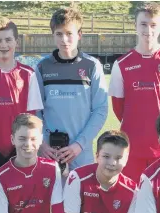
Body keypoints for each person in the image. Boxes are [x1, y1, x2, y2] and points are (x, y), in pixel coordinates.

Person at [108, 1, 160, 183]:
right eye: (143, 24)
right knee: (132, 199)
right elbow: (118, 108)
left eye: (153, 25)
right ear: (135, 25)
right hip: (131, 146)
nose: (148, 30)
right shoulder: (122, 64)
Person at [0, 17, 43, 186]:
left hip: (22, 151)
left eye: (8, 39)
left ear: (16, 43)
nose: (3, 45)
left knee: (21, 201)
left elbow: (32, 118)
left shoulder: (28, 74)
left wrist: (18, 148)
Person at [35, 7, 108, 172]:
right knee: (51, 198)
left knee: (81, 197)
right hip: (50, 153)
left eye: (69, 33)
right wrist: (42, 143)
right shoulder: (42, 67)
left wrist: (79, 145)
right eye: (59, 34)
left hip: (81, 153)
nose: (64, 39)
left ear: (79, 35)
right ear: (53, 35)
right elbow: (35, 110)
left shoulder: (92, 66)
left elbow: (100, 110)